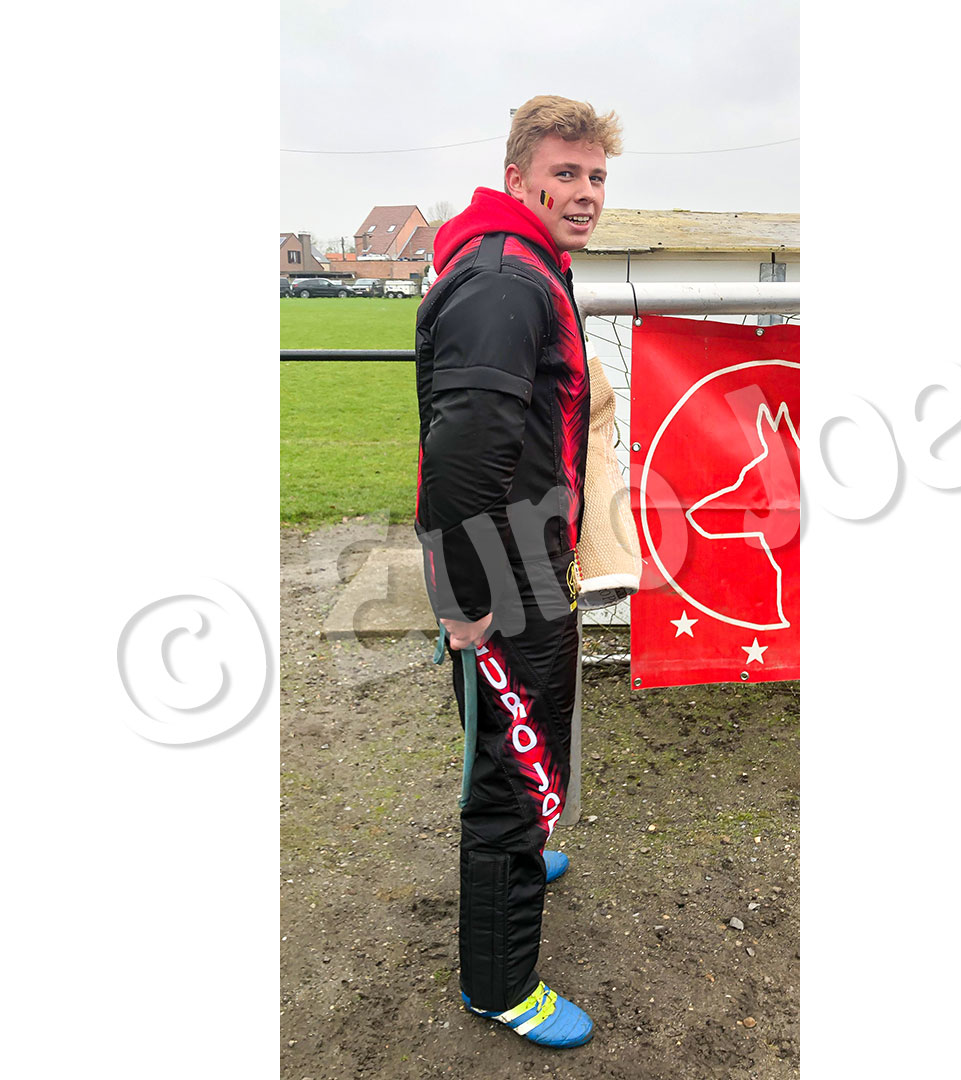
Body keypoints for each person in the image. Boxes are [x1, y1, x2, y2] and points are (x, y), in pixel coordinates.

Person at [413, 95, 622, 1049]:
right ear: (517, 179)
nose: (585, 194)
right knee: (512, 769)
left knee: (524, 746)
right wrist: (466, 600)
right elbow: (462, 457)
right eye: (564, 174)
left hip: (529, 560)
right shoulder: (505, 278)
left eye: (596, 177)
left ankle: (526, 849)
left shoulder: (531, 263)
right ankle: (497, 986)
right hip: (502, 575)